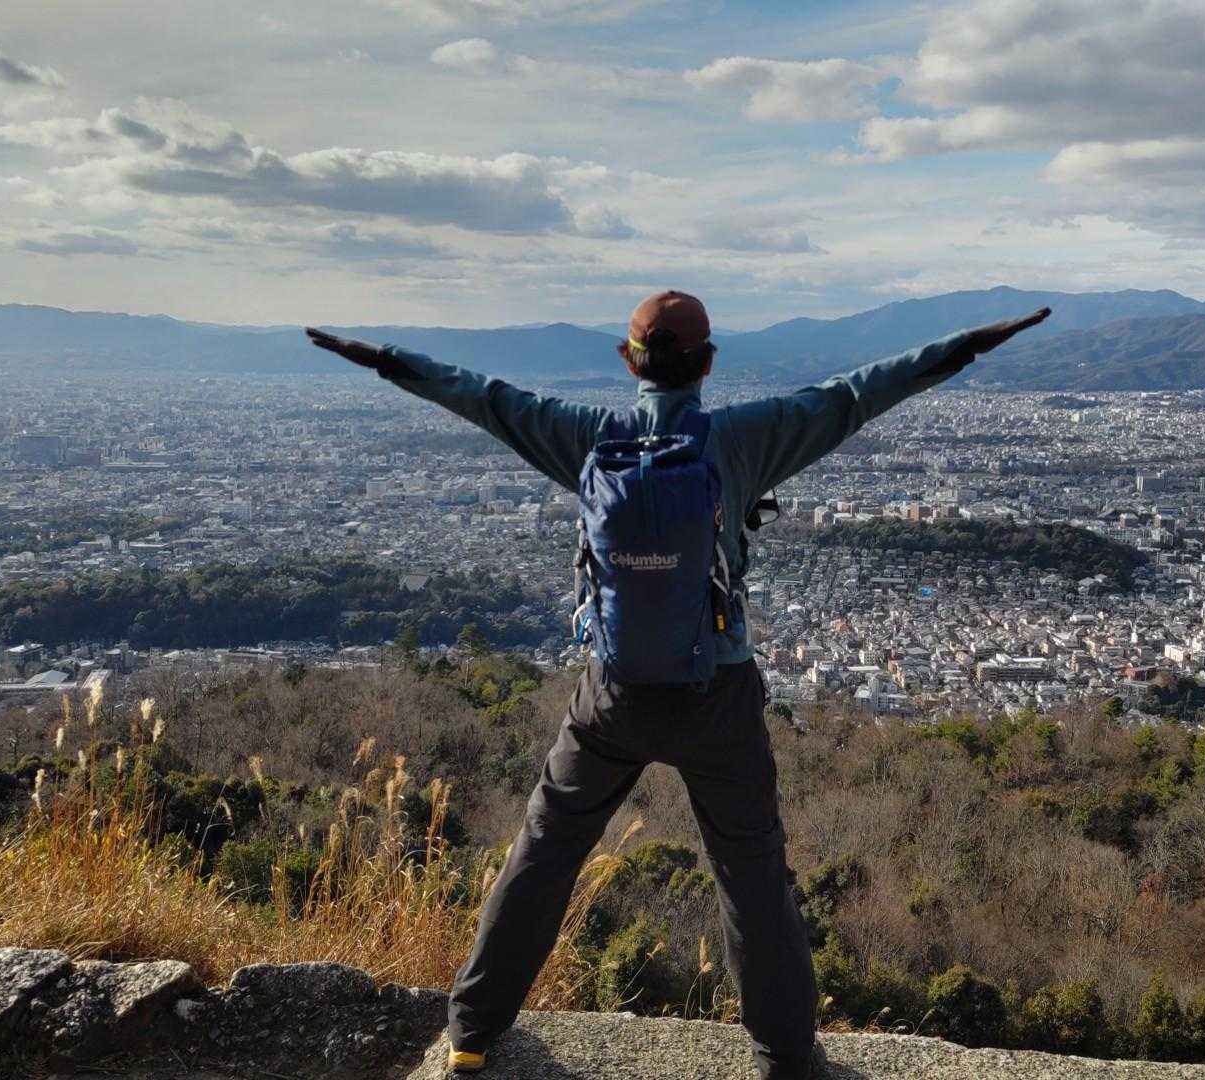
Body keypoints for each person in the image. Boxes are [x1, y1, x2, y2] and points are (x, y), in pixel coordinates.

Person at [306, 292, 1049, 1078]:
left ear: (628, 361)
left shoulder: (587, 437)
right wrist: (970, 342)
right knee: (751, 871)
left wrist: (386, 358)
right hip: (717, 693)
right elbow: (857, 394)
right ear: (708, 363)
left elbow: (485, 398)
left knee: (546, 849)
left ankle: (471, 1034)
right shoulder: (743, 438)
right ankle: (785, 1055)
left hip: (613, 696)